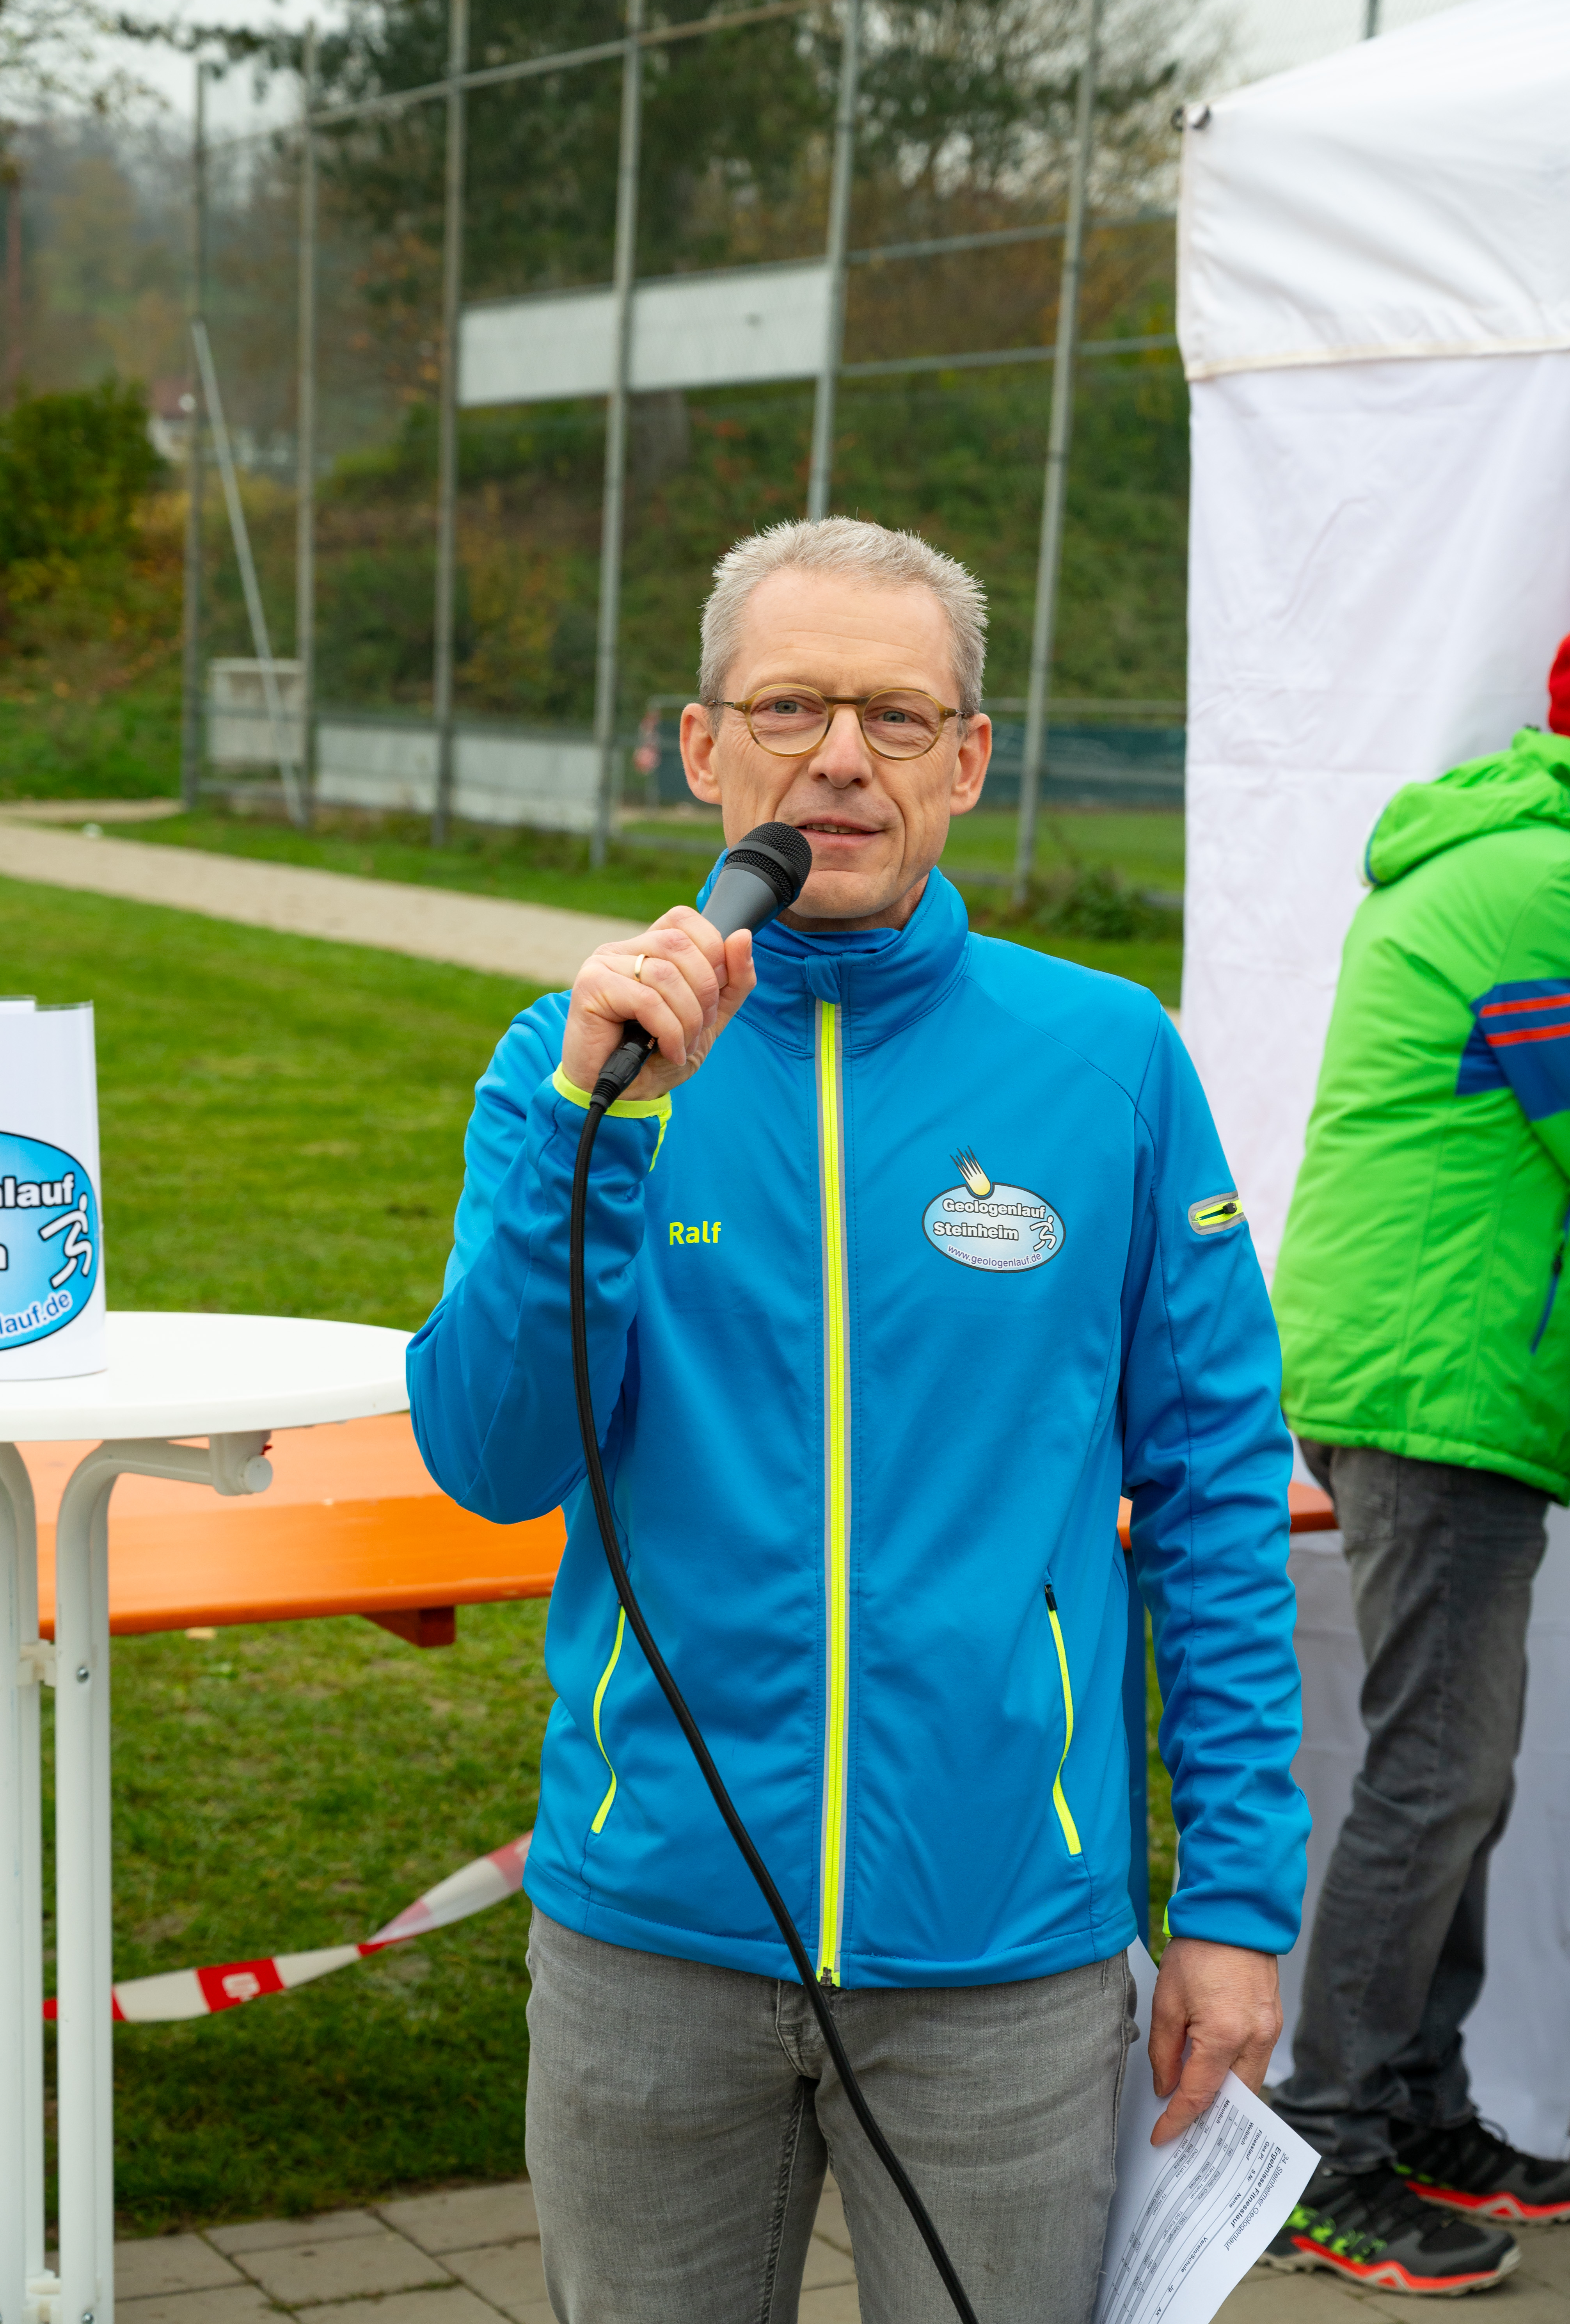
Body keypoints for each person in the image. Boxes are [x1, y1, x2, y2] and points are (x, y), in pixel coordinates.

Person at [408, 517, 1310, 2324]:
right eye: (790, 707)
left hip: (1006, 1952)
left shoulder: (1108, 1058)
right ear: (701, 746)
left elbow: (1213, 1494)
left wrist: (1235, 1897)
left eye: (896, 718)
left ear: (965, 763)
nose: (839, 757)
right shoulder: (574, 1062)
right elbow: (496, 1460)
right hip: (650, 1937)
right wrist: (601, 1127)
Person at [1266, 636, 1570, 2298]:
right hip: (1432, 1377)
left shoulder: (1513, 855)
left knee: (1459, 1771)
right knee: (1433, 1775)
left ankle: (1415, 2106)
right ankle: (1322, 2152)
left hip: (1438, 1369)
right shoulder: (1540, 885)